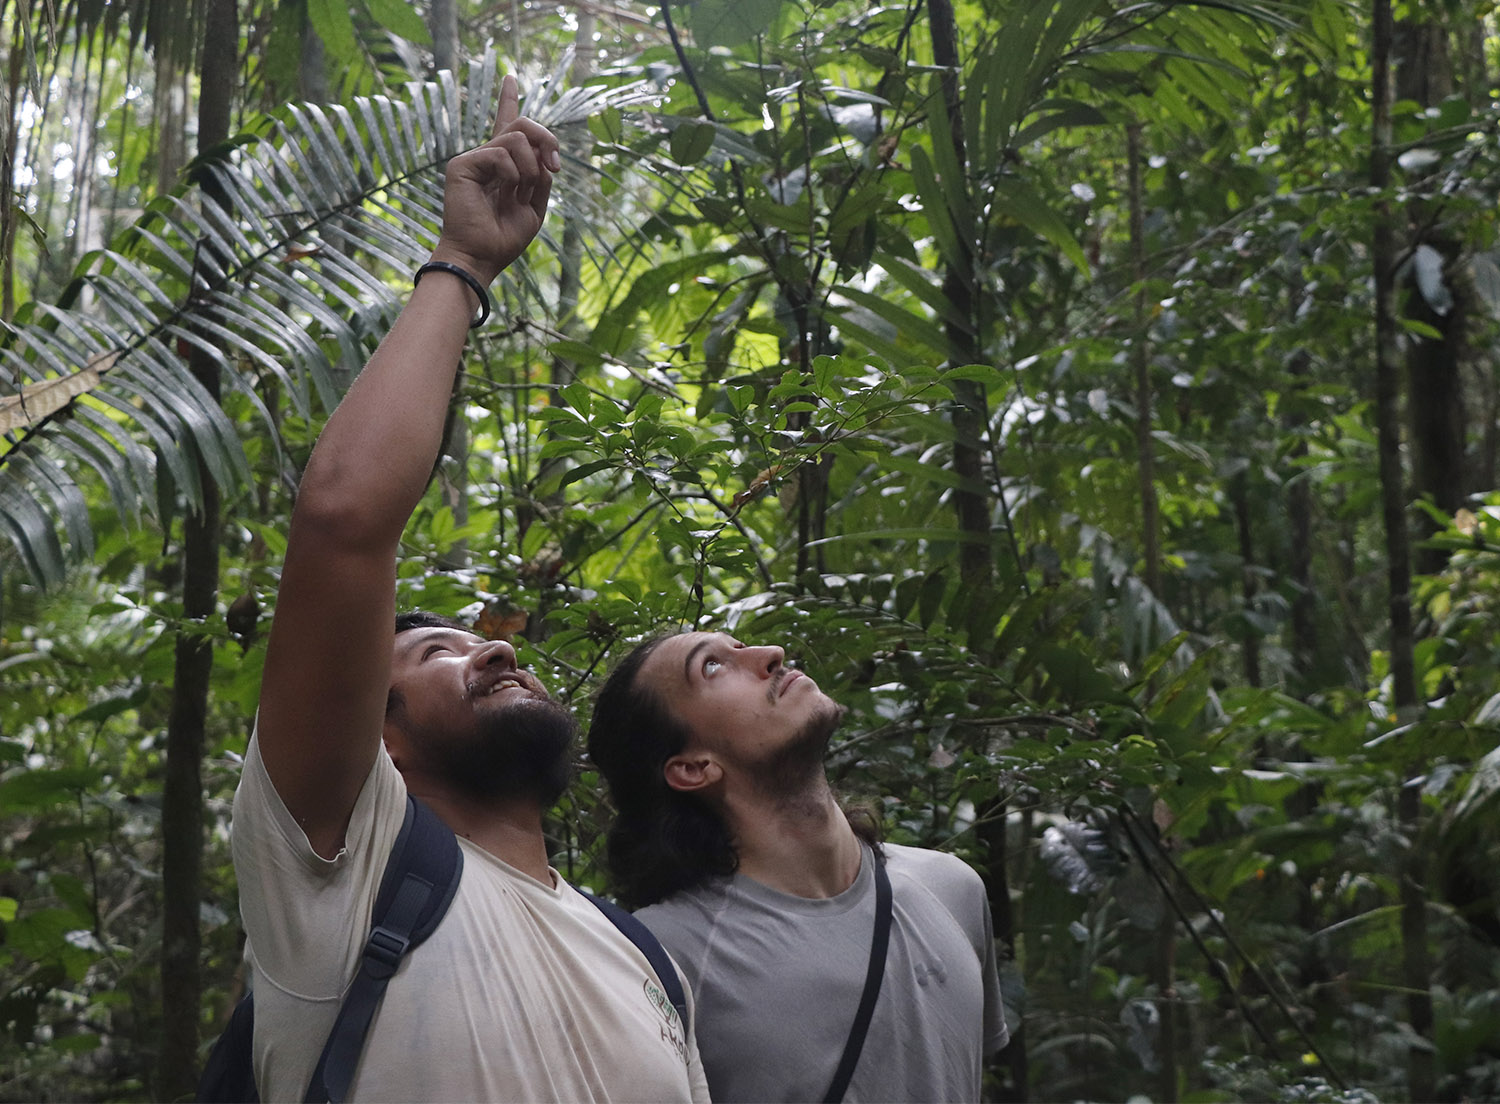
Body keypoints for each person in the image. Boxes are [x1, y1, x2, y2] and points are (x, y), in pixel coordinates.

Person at [231, 76, 708, 1102]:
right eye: (432, 653)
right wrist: (464, 265)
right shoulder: (342, 872)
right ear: (379, 741)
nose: (491, 647)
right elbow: (345, 521)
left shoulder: (638, 955)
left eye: (475, 639)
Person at [587, 631, 1010, 1103]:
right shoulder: (657, 960)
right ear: (692, 767)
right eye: (712, 666)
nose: (771, 655)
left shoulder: (952, 887)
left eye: (742, 645)